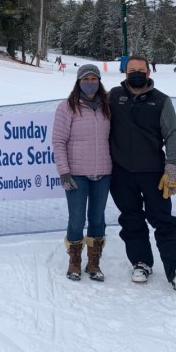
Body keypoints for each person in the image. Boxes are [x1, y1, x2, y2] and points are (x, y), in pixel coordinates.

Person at [108, 55, 176, 289]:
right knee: (131, 220)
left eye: (141, 69)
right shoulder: (113, 97)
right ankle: (141, 262)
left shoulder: (161, 101)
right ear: (125, 73)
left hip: (153, 173)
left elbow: (172, 135)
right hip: (121, 173)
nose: (136, 73)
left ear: (149, 73)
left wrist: (172, 170)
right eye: (131, 70)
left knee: (164, 220)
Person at [52, 64, 112, 281]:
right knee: (77, 219)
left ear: (99, 81)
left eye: (93, 78)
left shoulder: (107, 105)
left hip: (103, 173)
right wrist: (64, 172)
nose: (89, 82)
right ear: (78, 82)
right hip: (76, 173)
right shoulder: (67, 107)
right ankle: (74, 261)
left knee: (97, 219)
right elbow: (58, 142)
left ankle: (94, 263)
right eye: (85, 78)